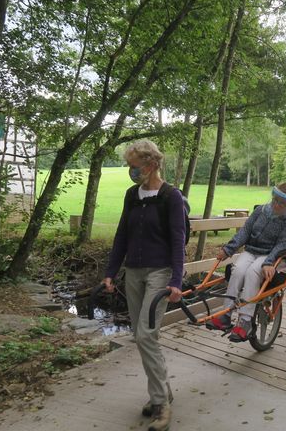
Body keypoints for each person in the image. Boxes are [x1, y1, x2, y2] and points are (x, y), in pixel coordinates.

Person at [103, 139, 185, 431]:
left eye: (134, 166)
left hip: (160, 273)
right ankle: (163, 390)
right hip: (134, 272)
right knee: (141, 337)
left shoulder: (170, 197)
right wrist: (111, 272)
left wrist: (177, 280)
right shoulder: (131, 195)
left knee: (146, 334)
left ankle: (161, 404)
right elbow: (121, 235)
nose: (131, 171)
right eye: (130, 166)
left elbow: (178, 240)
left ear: (150, 165)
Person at [207, 183, 286, 342]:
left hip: (270, 254)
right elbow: (245, 232)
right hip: (251, 250)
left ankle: (245, 320)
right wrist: (229, 249)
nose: (276, 205)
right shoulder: (260, 211)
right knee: (238, 270)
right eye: (275, 200)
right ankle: (225, 315)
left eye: (282, 203)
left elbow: (283, 245)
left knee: (253, 272)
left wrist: (269, 262)